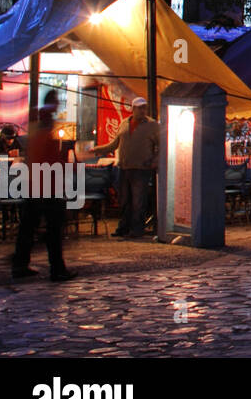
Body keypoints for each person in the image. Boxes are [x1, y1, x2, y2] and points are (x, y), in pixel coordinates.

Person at [12, 91, 75, 282]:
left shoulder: (37, 126)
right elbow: (52, 158)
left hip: (34, 183)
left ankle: (20, 265)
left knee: (28, 227)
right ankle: (57, 269)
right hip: (47, 185)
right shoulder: (48, 127)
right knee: (53, 229)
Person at [91, 97, 160, 239]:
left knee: (138, 201)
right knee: (125, 200)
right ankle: (123, 227)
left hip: (141, 168)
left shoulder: (152, 125)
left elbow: (162, 144)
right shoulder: (124, 124)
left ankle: (136, 229)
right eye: (140, 108)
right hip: (124, 167)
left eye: (144, 108)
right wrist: (98, 149)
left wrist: (155, 160)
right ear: (133, 109)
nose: (142, 110)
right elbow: (114, 144)